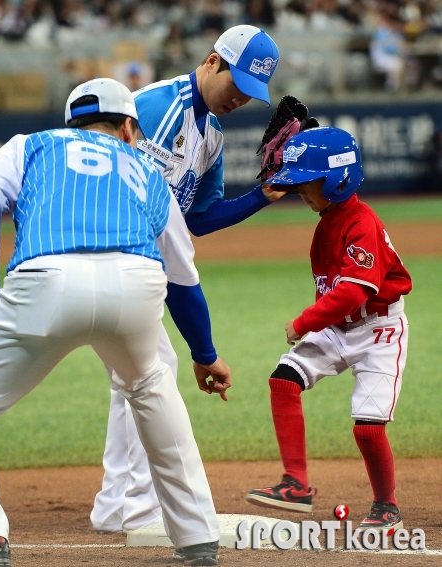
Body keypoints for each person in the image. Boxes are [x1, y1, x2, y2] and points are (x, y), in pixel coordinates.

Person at [0, 77, 232, 567]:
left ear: (70, 122)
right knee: (153, 389)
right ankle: (198, 538)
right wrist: (205, 354)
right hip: (136, 284)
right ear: (131, 128)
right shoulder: (148, 171)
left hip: (46, 279)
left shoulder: (32, 145)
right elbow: (183, 280)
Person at [90, 24, 288, 535]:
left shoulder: (213, 136)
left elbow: (195, 218)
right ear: (211, 61)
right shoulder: (153, 108)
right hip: (105, 251)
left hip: (139, 263)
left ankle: (120, 501)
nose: (241, 97)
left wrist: (260, 197)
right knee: (149, 366)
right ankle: (126, 504)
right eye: (237, 83)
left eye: (252, 92)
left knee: (138, 372)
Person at [245, 127, 412, 531]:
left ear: (338, 181)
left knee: (368, 429)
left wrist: (304, 322)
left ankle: (386, 504)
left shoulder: (360, 223)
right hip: (339, 327)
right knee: (284, 381)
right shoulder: (327, 221)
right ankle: (296, 484)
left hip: (378, 331)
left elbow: (354, 294)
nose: (301, 190)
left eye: (308, 182)